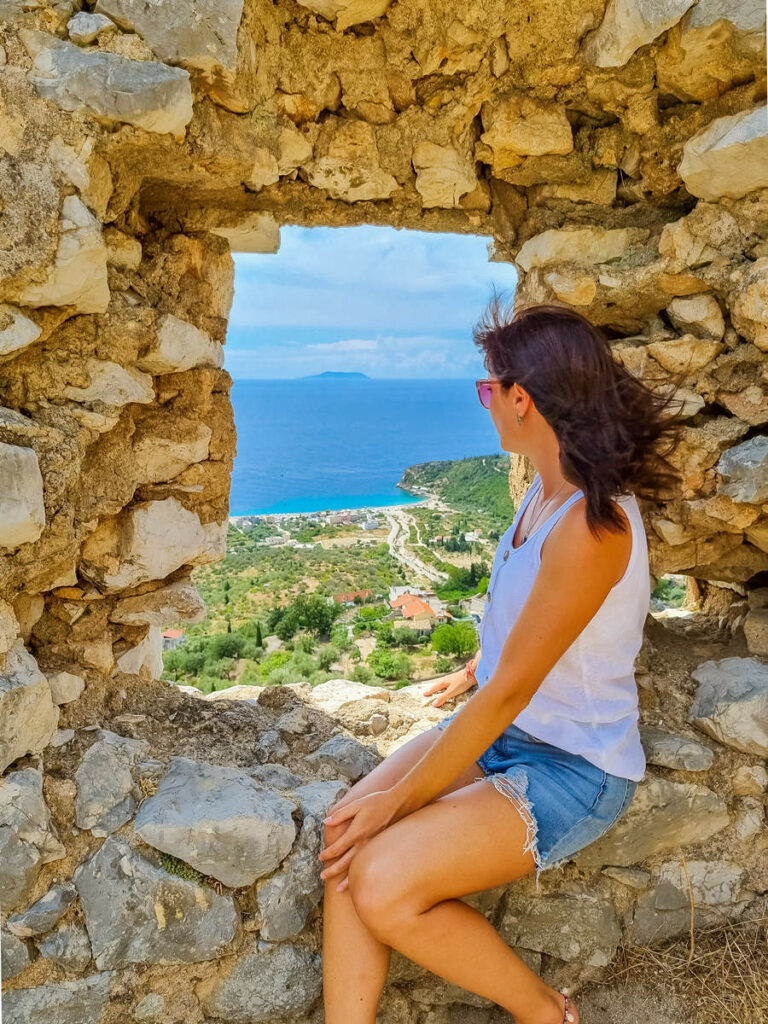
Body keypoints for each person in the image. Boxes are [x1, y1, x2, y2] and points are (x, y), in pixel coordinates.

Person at [318, 298, 688, 1024]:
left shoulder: (591, 523)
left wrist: (403, 799)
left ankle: (548, 1012)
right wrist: (476, 665)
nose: (484, 403)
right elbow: (526, 633)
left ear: (523, 398)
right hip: (509, 737)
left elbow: (514, 691)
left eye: (488, 388)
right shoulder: (541, 498)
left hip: (573, 766)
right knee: (344, 834)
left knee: (381, 876)